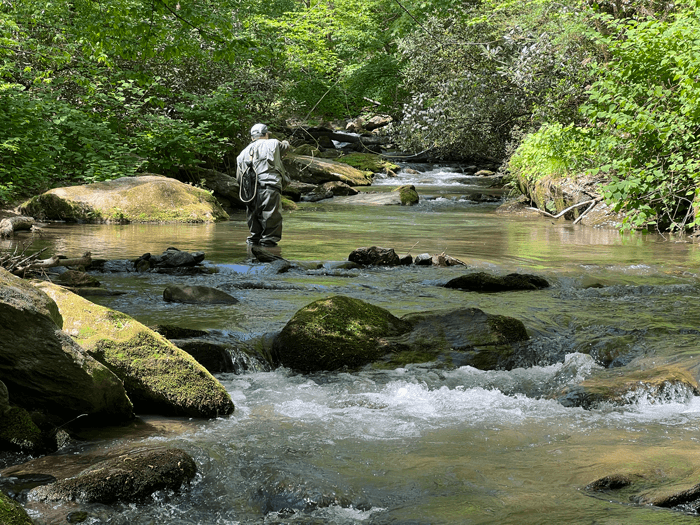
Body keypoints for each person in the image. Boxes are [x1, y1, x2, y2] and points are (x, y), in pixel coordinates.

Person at [236, 123, 290, 247]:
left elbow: (239, 177)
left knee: (254, 221)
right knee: (271, 218)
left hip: (250, 192)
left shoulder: (241, 154)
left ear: (252, 138)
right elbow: (285, 147)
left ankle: (252, 251)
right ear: (266, 134)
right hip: (269, 187)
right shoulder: (274, 143)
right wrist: (287, 142)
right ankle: (269, 251)